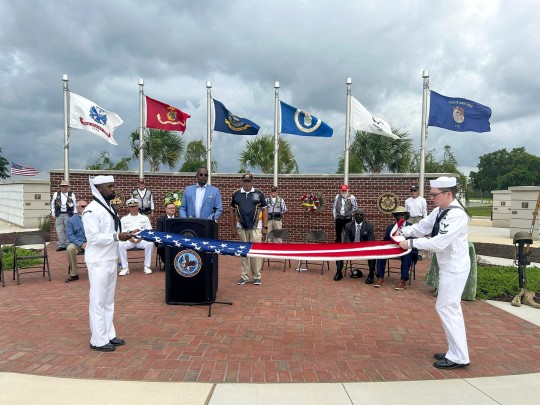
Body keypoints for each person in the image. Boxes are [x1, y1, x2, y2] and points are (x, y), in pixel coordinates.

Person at [398, 176, 470, 370]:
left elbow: (439, 243)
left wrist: (410, 243)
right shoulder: (440, 210)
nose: (431, 198)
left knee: (448, 308)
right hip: (448, 267)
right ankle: (455, 351)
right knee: (447, 308)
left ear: (448, 194)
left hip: (455, 267)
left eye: (434, 195)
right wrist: (403, 233)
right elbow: (423, 226)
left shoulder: (457, 215)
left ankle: (459, 356)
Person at [82, 175, 131, 352]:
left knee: (108, 301)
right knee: (98, 301)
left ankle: (109, 334)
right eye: (109, 186)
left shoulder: (108, 207)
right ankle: (98, 340)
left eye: (112, 186)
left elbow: (112, 232)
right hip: (98, 260)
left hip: (110, 259)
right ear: (98, 189)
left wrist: (126, 233)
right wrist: (117, 236)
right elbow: (93, 238)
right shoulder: (91, 210)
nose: (113, 189)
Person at [230, 173, 268, 286]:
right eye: (245, 181)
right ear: (242, 181)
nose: (247, 183)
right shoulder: (236, 194)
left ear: (252, 181)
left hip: (256, 227)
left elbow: (265, 210)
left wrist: (265, 226)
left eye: (249, 181)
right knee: (244, 252)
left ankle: (256, 276)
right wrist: (233, 228)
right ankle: (244, 276)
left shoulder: (259, 193)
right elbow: (232, 211)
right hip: (241, 227)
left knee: (255, 252)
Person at [374, 206, 418, 290]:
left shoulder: (411, 227)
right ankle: (380, 277)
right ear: (394, 217)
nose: (399, 217)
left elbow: (413, 241)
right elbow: (386, 240)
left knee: (407, 255)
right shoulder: (391, 227)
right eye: (397, 215)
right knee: (381, 253)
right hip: (393, 249)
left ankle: (403, 280)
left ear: (405, 216)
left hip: (406, 248)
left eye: (401, 215)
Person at [334, 209, 376, 282]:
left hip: (364, 248)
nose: (359, 216)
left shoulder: (369, 226)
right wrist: (351, 247)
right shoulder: (348, 225)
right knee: (339, 252)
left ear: (363, 216)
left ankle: (371, 274)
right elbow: (346, 238)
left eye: (361, 215)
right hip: (351, 248)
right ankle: (339, 272)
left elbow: (371, 239)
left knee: (373, 254)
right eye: (357, 214)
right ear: (354, 216)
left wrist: (363, 248)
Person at [118, 198, 155, 276]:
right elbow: (122, 233)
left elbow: (149, 231)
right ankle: (125, 268)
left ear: (138, 207)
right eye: (131, 206)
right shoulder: (124, 219)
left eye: (135, 206)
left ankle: (147, 266)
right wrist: (130, 238)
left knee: (150, 244)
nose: (133, 208)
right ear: (128, 207)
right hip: (129, 240)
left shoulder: (144, 218)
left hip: (141, 240)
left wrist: (140, 238)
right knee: (120, 244)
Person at [51, 179, 77, 251]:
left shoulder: (72, 195)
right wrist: (53, 213)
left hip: (68, 214)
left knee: (68, 229)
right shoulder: (56, 194)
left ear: (67, 187)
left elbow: (75, 205)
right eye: (62, 186)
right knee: (59, 230)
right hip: (59, 214)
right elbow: (52, 204)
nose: (63, 187)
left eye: (65, 186)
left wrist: (75, 213)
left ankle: (68, 244)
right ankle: (61, 244)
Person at [65, 199, 88, 283]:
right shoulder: (71, 220)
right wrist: (81, 244)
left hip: (92, 242)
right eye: (83, 206)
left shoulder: (94, 217)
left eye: (86, 206)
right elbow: (70, 235)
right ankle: (74, 274)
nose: (85, 208)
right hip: (79, 244)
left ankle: (102, 272)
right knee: (70, 249)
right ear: (77, 208)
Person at [156, 202, 177, 268]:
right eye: (170, 208)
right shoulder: (161, 219)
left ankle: (176, 263)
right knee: (161, 247)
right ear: (166, 209)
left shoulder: (179, 219)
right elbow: (159, 232)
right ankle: (167, 264)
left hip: (176, 240)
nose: (172, 209)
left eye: (173, 208)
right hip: (164, 240)